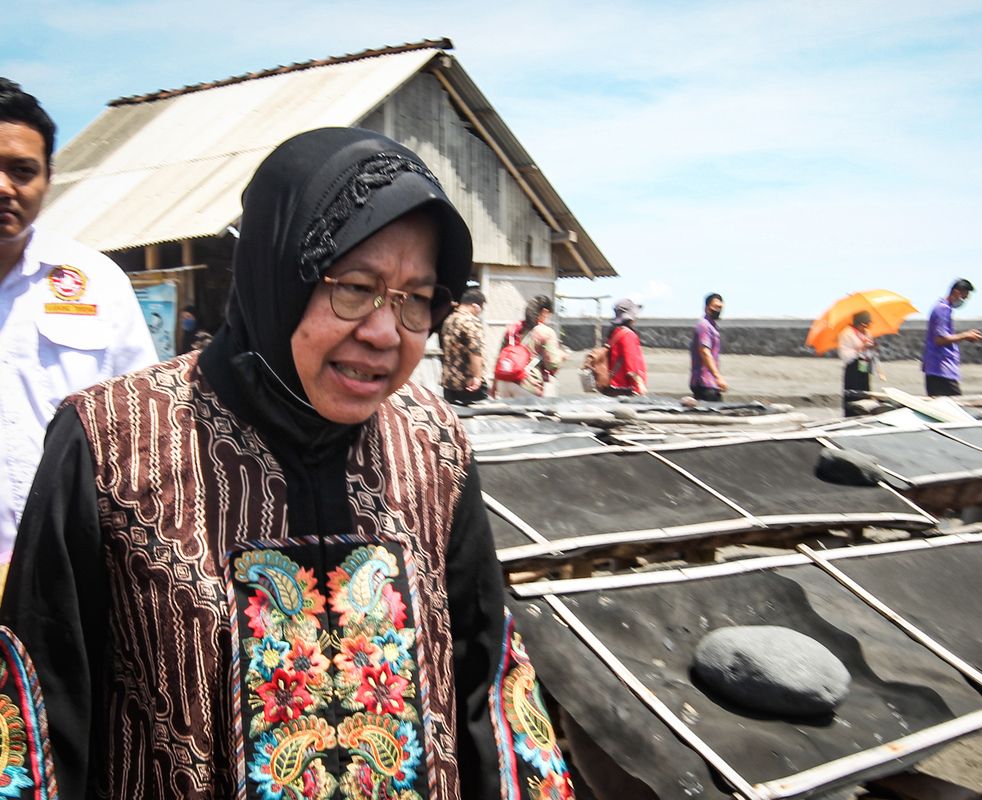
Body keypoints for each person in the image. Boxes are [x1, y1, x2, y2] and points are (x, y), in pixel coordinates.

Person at [0, 128, 572, 799]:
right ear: (279, 274)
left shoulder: (434, 448)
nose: (386, 333)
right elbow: (38, 723)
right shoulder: (111, 444)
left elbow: (490, 690)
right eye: (355, 288)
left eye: (416, 299)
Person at [0, 78, 156, 568]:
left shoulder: (96, 284)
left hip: (65, 569)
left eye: (22, 171)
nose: (4, 187)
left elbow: (142, 433)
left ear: (48, 178)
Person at [493, 294, 564, 398]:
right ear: (544, 312)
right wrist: (561, 356)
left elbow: (500, 359)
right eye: (549, 315)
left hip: (503, 383)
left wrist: (494, 386)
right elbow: (552, 364)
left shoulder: (512, 329)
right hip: (527, 385)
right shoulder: (546, 332)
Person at [922, 278, 982, 396]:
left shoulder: (945, 308)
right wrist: (965, 335)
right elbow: (940, 339)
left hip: (939, 369)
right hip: (940, 369)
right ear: (956, 292)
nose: (963, 301)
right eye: (963, 297)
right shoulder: (942, 309)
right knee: (955, 407)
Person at [440, 286, 488, 405]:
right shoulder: (471, 321)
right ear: (475, 306)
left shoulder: (448, 320)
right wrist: (477, 376)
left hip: (449, 383)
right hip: (468, 383)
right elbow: (475, 351)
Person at [602, 297, 647, 396]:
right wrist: (639, 383)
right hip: (624, 385)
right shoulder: (629, 335)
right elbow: (630, 362)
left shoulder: (615, 332)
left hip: (613, 384)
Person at [690, 292, 726, 401]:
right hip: (704, 382)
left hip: (710, 383)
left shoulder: (713, 327)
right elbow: (705, 352)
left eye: (720, 307)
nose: (718, 310)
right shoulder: (704, 326)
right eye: (715, 307)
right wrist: (717, 377)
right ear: (707, 307)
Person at [839, 310, 875, 416]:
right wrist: (859, 349)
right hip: (853, 365)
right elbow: (844, 354)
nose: (866, 327)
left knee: (865, 387)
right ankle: (851, 413)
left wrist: (870, 347)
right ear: (859, 323)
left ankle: (865, 412)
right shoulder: (847, 333)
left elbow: (869, 347)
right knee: (853, 389)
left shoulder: (867, 333)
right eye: (864, 324)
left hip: (864, 363)